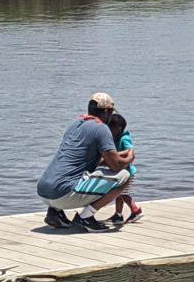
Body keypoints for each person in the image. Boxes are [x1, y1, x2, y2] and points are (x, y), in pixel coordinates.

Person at [37, 92, 132, 232]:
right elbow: (115, 165)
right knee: (124, 175)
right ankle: (86, 218)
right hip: (63, 195)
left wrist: (110, 158)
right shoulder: (101, 128)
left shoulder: (76, 124)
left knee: (70, 170)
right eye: (111, 113)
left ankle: (54, 213)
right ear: (106, 112)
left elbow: (80, 158)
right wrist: (130, 157)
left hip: (44, 192)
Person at [107, 112, 143, 224]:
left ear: (118, 129)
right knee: (118, 195)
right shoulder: (115, 138)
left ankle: (136, 210)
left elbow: (129, 150)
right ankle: (118, 215)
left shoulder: (124, 138)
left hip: (128, 173)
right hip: (120, 171)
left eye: (110, 128)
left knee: (122, 194)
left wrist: (117, 154)